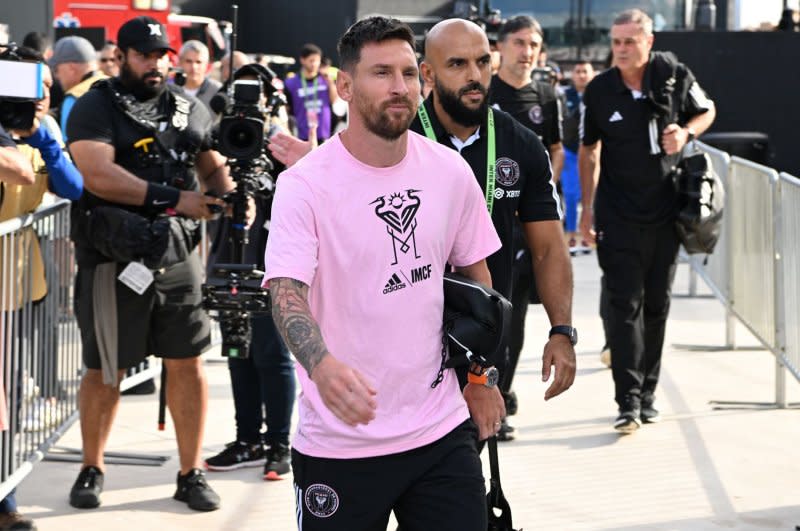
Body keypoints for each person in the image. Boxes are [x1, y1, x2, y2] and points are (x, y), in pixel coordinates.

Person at [265, 16, 504, 530]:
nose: (399, 88)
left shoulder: (449, 170)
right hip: (340, 446)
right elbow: (286, 293)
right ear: (344, 85)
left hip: (440, 434)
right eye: (380, 73)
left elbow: (476, 278)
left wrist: (482, 376)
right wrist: (322, 365)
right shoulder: (305, 185)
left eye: (408, 73)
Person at [65, 15, 239, 511]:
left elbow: (210, 164)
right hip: (110, 256)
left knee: (187, 362)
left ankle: (189, 474)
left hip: (176, 255)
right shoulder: (93, 105)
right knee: (106, 369)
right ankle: (92, 466)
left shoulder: (188, 106)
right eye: (145, 55)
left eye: (163, 54)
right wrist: (174, 199)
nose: (157, 63)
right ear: (121, 57)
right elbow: (97, 174)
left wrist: (232, 194)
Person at [579, 9, 715, 433]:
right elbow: (589, 151)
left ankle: (649, 394)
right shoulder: (600, 91)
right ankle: (628, 400)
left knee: (656, 306)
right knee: (624, 306)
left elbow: (707, 110)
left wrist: (686, 133)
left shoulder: (673, 75)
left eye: (629, 42)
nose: (620, 50)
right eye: (616, 42)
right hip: (618, 215)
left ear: (648, 42)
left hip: (666, 214)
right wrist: (587, 209)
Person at [0, 43, 84, 530]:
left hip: (17, 276)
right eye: (33, 88)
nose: (43, 98)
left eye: (47, 87)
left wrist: (47, 142)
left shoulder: (43, 128)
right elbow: (14, 169)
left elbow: (72, 187)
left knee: (8, 394)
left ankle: (6, 499)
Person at [203, 63, 296, 481]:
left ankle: (279, 443)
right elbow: (209, 182)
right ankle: (247, 440)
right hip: (230, 253)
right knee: (238, 352)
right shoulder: (221, 138)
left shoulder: (283, 146)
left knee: (272, 354)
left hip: (273, 258)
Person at [488, 15, 567, 439]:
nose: (527, 51)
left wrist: (541, 188)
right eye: (519, 42)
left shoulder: (547, 95)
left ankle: (501, 400)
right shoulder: (482, 90)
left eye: (534, 43)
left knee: (513, 321)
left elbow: (555, 149)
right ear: (501, 47)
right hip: (482, 225)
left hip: (523, 226)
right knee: (483, 315)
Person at [562, 60, 595, 255]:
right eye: (578, 71)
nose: (582, 75)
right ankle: (572, 237)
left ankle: (588, 237)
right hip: (570, 152)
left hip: (592, 151)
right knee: (571, 196)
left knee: (590, 196)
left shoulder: (599, 95)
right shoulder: (565, 96)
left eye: (585, 71)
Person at [50, 36, 106, 141]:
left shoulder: (74, 97)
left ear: (71, 68)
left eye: (56, 70)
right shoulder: (113, 85)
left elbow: (69, 148)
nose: (56, 76)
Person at [283, 43, 337, 143]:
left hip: (324, 133)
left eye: (317, 61)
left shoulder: (326, 79)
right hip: (302, 134)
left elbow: (334, 101)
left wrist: (331, 84)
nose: (314, 64)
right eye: (311, 61)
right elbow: (286, 110)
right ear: (302, 60)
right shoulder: (291, 83)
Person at [178, 40, 222, 111]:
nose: (194, 67)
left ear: (207, 65)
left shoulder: (217, 91)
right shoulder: (170, 90)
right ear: (180, 62)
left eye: (198, 62)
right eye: (188, 61)